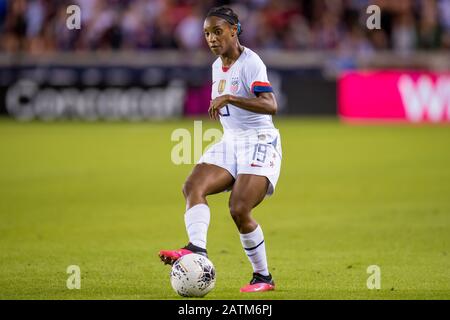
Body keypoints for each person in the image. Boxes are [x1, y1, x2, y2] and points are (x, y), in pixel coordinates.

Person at [159, 6, 282, 293]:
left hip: (260, 141)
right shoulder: (217, 65)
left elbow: (270, 105)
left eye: (217, 31)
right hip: (231, 142)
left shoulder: (251, 62)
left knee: (239, 209)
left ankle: (263, 277)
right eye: (206, 34)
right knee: (193, 187)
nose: (211, 39)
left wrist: (230, 97)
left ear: (234, 30)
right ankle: (196, 249)